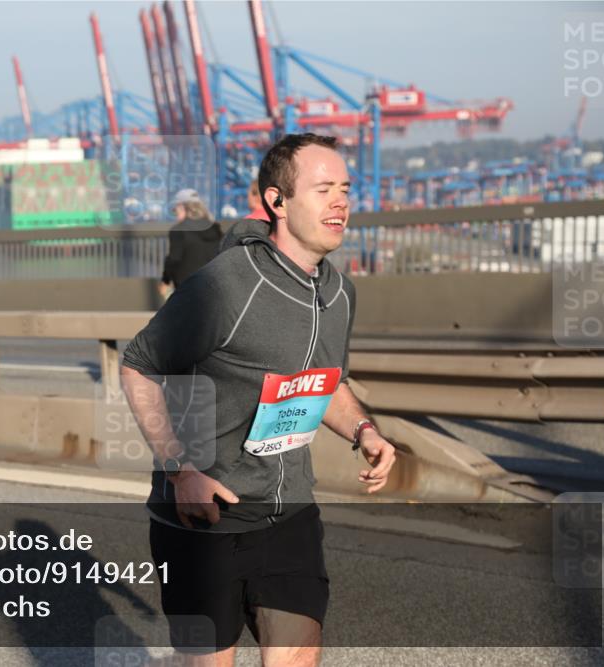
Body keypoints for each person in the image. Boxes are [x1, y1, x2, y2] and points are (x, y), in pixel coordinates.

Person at [121, 133, 397, 666]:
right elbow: (139, 366)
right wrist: (181, 470)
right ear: (278, 202)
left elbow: (329, 382)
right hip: (206, 522)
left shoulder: (340, 292)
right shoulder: (225, 285)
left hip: (290, 513)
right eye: (322, 190)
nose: (340, 202)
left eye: (344, 188)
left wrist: (366, 432)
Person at [159, 188, 222, 297]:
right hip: (212, 286)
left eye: (176, 210)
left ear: (183, 207)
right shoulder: (215, 229)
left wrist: (165, 279)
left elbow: (174, 258)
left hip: (186, 287)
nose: (175, 214)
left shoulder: (179, 230)